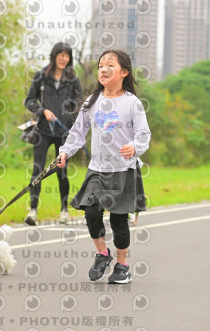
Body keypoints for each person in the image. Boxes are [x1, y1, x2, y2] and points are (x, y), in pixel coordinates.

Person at [57, 49, 150, 284]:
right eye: (100, 66)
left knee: (118, 219)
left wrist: (134, 147)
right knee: (91, 212)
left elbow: (143, 134)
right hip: (97, 168)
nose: (103, 69)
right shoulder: (92, 102)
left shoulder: (132, 103)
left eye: (110, 65)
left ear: (124, 72)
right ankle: (102, 254)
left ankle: (122, 266)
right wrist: (65, 151)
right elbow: (78, 132)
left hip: (123, 169)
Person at [24, 42, 82, 225]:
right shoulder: (41, 76)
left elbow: (79, 105)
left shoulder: (73, 80)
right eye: (61, 55)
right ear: (54, 56)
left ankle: (64, 211)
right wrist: (43, 111)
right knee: (37, 170)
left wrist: (72, 123)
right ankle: (33, 211)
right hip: (43, 130)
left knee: (62, 172)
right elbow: (29, 101)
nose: (64, 58)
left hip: (64, 133)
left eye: (67, 55)